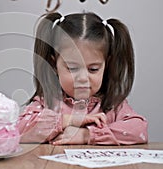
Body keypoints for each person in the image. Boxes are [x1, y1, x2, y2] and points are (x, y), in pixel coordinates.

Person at [18, 12, 148, 145]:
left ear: (106, 65)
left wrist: (88, 135)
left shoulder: (112, 105)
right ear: (54, 64)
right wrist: (67, 120)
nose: (82, 78)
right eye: (72, 68)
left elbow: (139, 129)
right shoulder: (47, 103)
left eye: (93, 69)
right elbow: (17, 131)